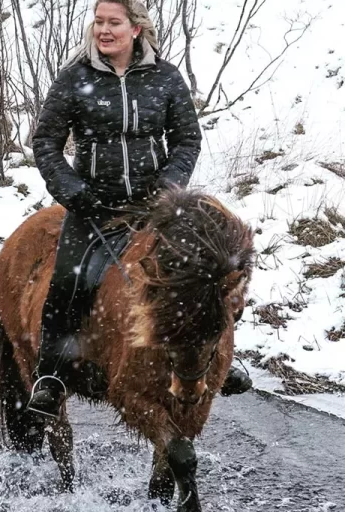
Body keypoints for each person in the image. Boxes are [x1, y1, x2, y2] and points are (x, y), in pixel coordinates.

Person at [27, 0, 251, 418]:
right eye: (98, 22)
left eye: (113, 23)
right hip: (92, 207)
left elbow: (187, 139)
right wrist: (74, 191)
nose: (103, 31)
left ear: (136, 29)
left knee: (205, 277)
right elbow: (45, 144)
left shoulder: (165, 78)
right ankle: (50, 376)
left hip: (156, 209)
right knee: (66, 283)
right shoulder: (74, 79)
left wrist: (169, 185)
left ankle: (224, 360)